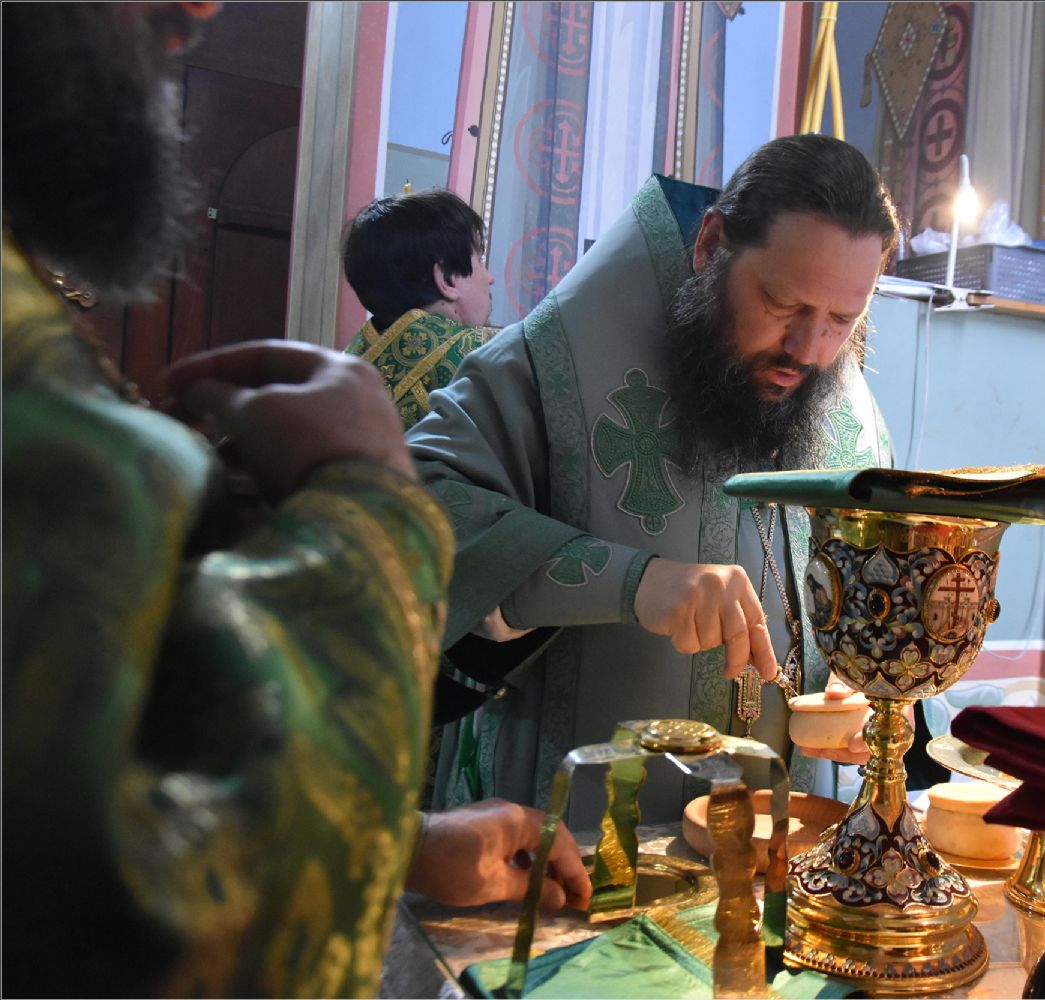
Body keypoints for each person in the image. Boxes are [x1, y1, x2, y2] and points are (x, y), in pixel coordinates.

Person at [1, 5, 587, 997]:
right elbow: (120, 914)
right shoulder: (484, 358)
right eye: (481, 262)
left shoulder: (350, 351)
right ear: (448, 273)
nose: (203, 6)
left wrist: (399, 843)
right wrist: (371, 509)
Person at [408, 135, 900, 822]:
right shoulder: (555, 364)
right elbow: (410, 510)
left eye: (843, 320)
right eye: (782, 304)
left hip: (773, 843)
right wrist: (634, 582)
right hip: (575, 838)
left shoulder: (848, 409)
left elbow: (882, 593)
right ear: (711, 245)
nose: (807, 350)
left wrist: (867, 693)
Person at [341, 189, 497, 430]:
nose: (490, 278)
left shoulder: (342, 373)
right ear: (447, 279)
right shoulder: (485, 357)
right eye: (479, 260)